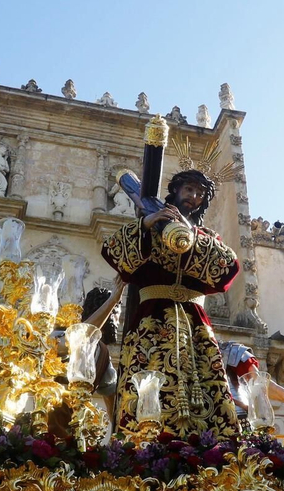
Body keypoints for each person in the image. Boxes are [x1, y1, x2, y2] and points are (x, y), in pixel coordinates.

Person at [100, 169, 241, 438]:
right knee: (147, 378)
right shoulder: (151, 226)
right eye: (189, 189)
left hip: (195, 326)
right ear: (175, 190)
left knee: (205, 383)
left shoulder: (207, 236)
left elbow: (227, 268)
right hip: (151, 321)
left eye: (200, 194)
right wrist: (146, 225)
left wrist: (189, 235)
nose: (194, 196)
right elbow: (114, 251)